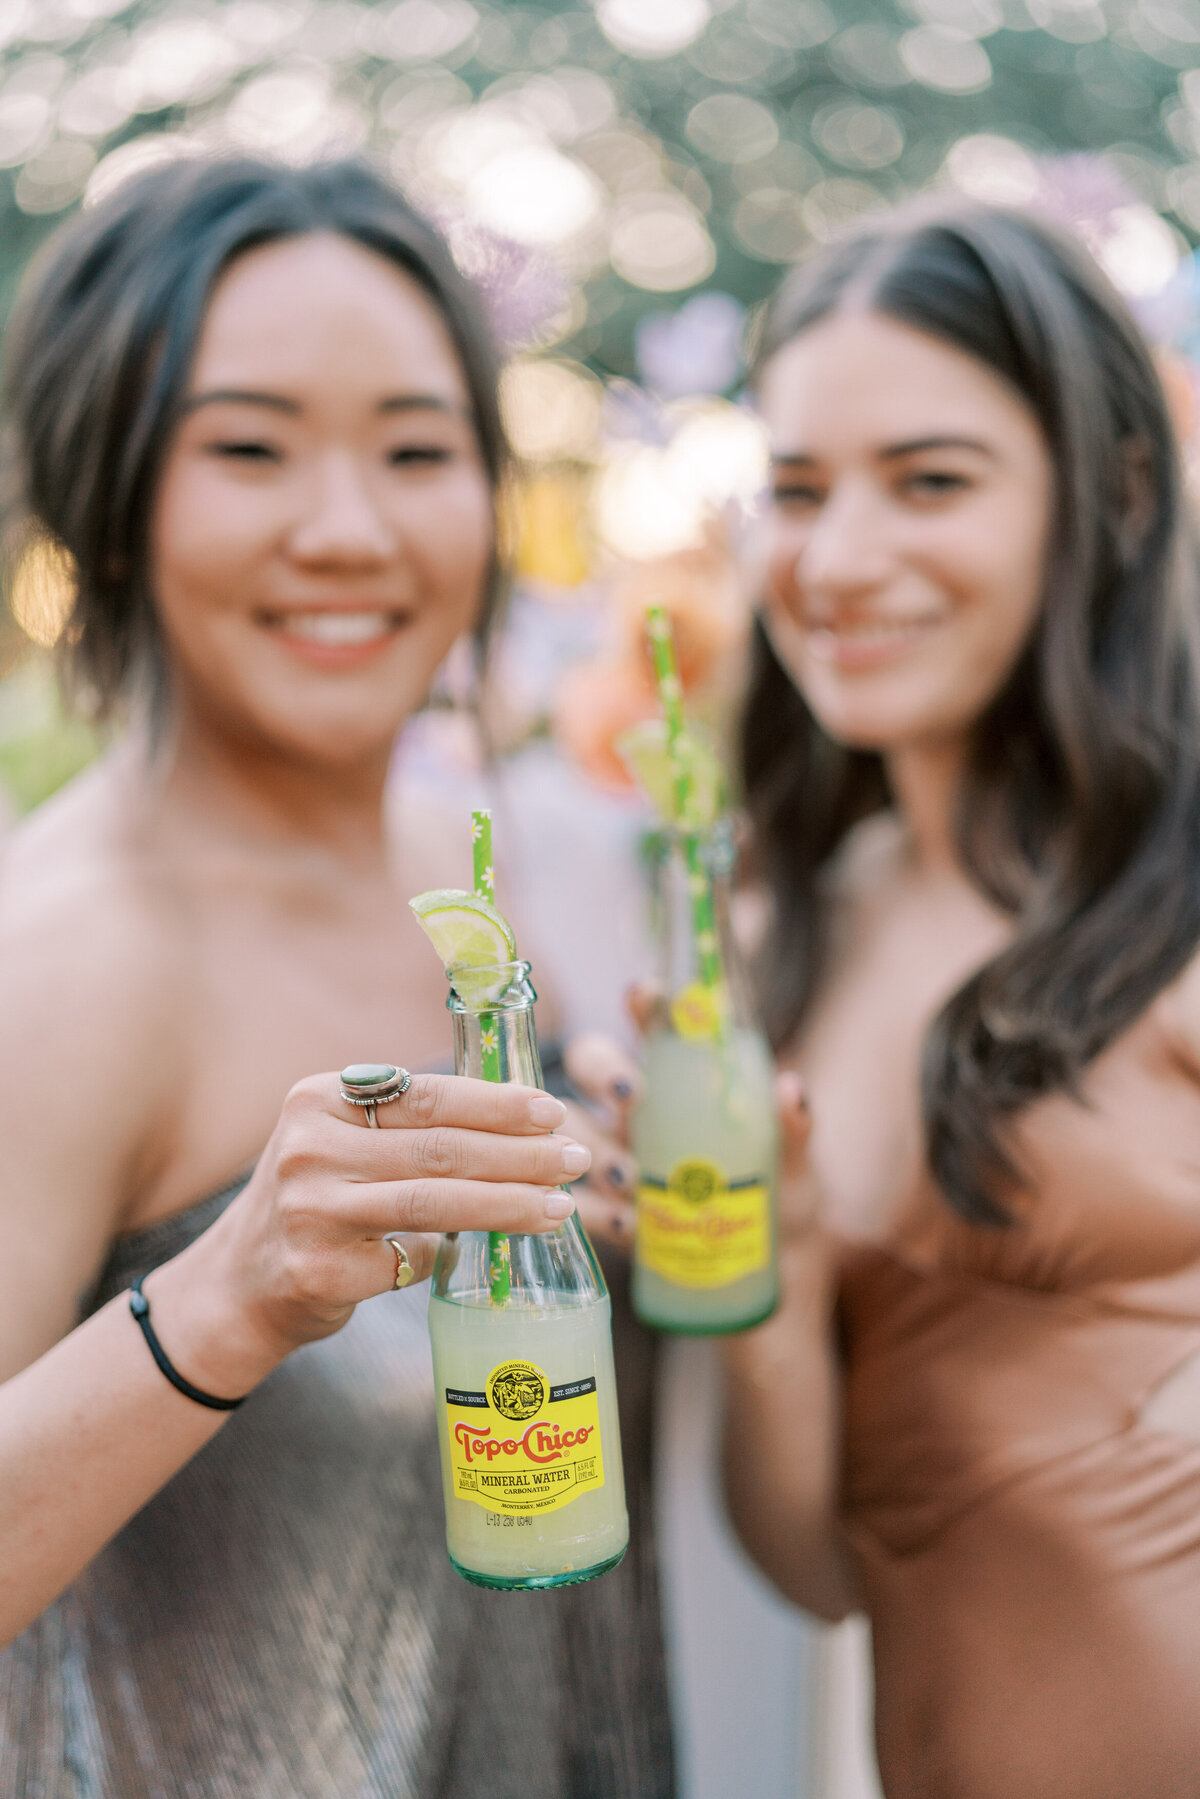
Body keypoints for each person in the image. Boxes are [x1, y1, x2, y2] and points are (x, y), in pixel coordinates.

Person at [0, 157, 671, 1798]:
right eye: (247, 447)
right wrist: (223, 1299)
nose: (351, 529)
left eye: (418, 450)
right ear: (108, 484)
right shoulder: (70, 956)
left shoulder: (516, 888)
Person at [716, 199, 1200, 1799]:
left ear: (1111, 494)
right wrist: (768, 1270)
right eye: (797, 490)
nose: (840, 560)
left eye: (932, 482)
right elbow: (826, 1565)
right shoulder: (781, 930)